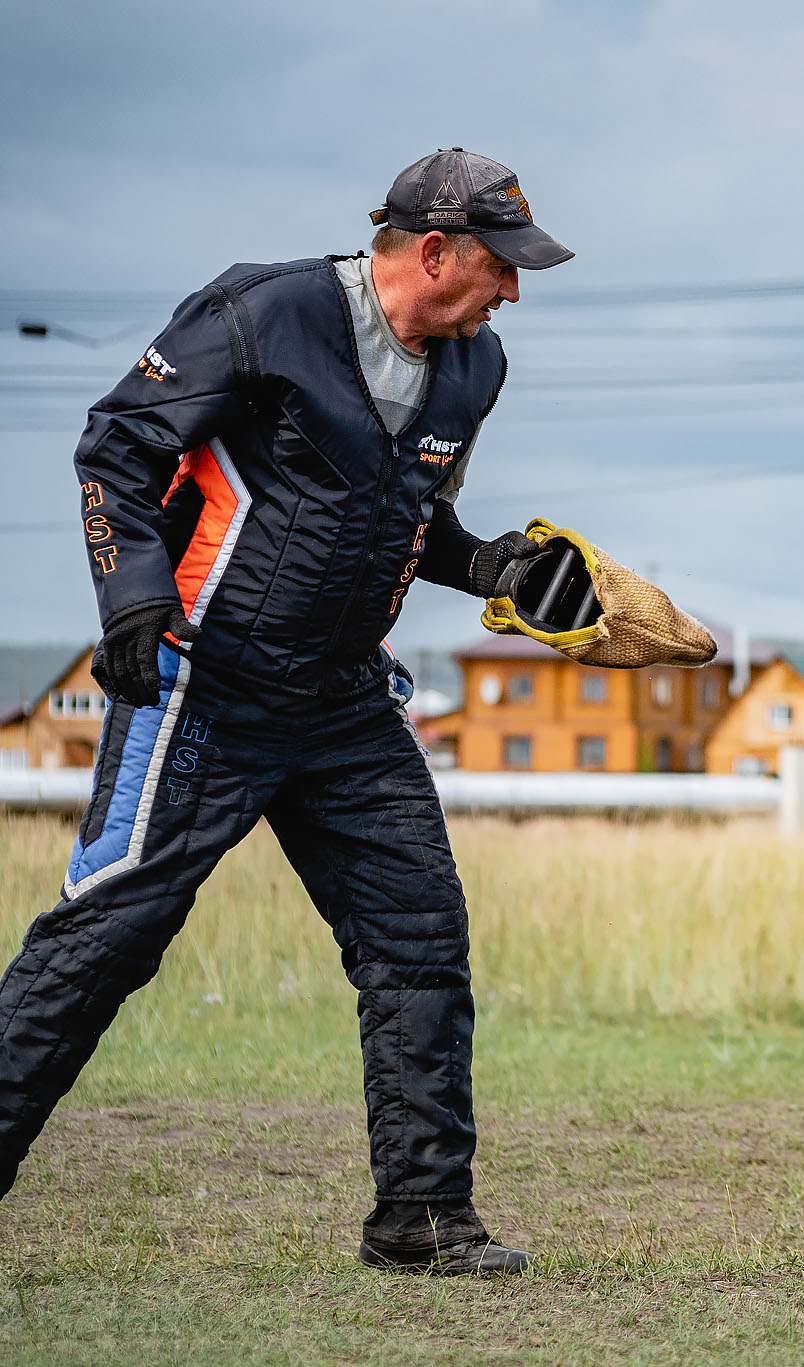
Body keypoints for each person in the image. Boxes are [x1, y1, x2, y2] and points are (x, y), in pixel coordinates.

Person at [0, 149, 573, 1275]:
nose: (513, 291)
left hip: (347, 701)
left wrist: (496, 569)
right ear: (432, 250)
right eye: (502, 267)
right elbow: (117, 447)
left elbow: (403, 517)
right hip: (206, 681)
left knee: (418, 939)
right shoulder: (264, 312)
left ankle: (420, 1216)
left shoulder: (475, 367)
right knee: (107, 937)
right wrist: (130, 599)